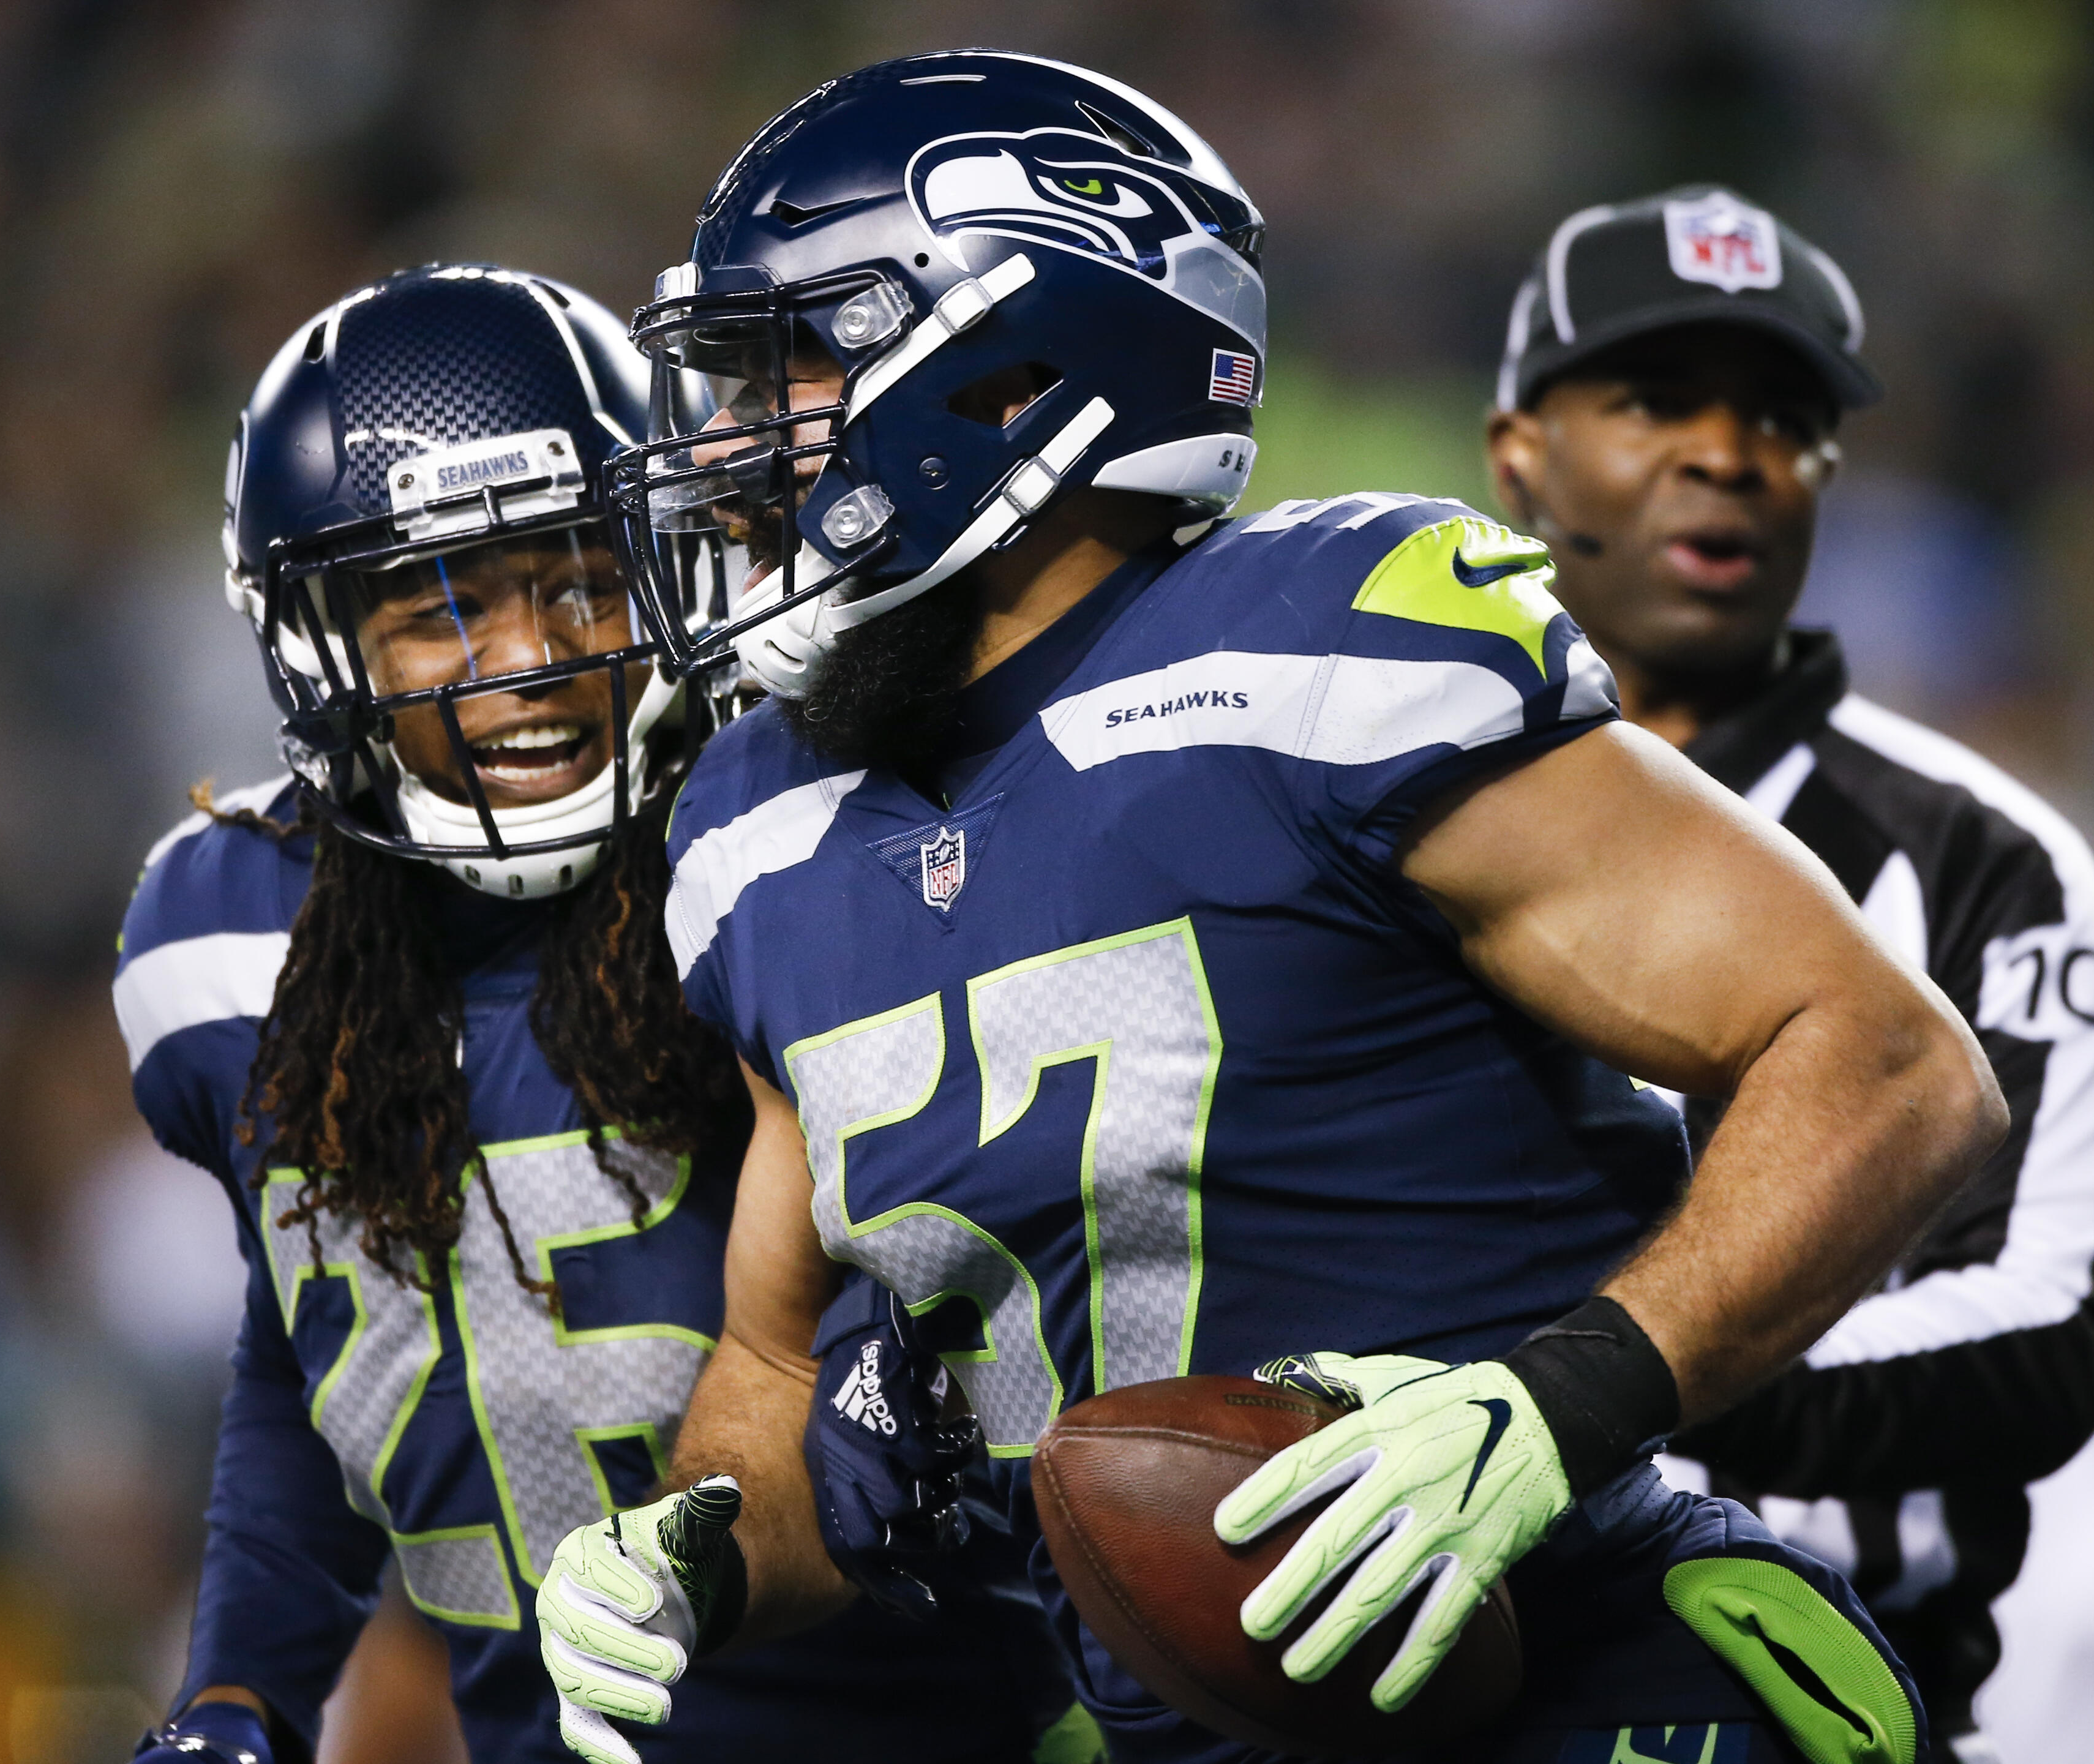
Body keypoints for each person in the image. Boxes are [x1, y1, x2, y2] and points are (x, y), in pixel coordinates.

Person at [536, 54, 2007, 1764]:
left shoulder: (1312, 656)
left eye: (787, 356)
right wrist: (691, 1550)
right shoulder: (747, 831)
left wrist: (1551, 1410)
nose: (725, 440)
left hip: (1560, 1683)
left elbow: (1889, 1063)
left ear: (1011, 370)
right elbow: (781, 1381)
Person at [112, 263, 1080, 1764]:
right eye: (441, 604)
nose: (533, 659)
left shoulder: (806, 853)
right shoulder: (229, 945)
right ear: (320, 646)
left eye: (578, 571)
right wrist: (242, 1691)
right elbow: (319, 1344)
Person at [1482, 187, 2094, 1764]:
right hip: (1398, 1683)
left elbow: (2055, 1319)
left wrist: (1577, 1389)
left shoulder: (1988, 859)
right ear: (1520, 452)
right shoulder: (1362, 808)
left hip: (1823, 1698)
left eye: (1781, 417)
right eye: (1655, 399)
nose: (1728, 453)